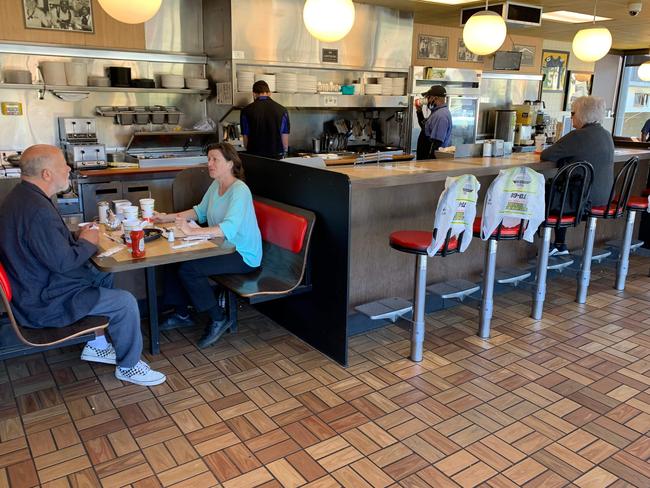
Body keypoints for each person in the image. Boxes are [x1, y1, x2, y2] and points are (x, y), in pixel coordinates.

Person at [0, 145, 165, 386]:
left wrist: (75, 239)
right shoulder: (37, 211)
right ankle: (129, 367)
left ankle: (96, 344)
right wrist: (87, 242)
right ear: (47, 174)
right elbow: (64, 263)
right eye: (62, 166)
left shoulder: (21, 197)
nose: (69, 168)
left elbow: (44, 248)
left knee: (101, 274)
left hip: (32, 286)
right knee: (125, 302)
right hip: (45, 302)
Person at [154, 143, 262, 348]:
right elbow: (199, 212)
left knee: (190, 269)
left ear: (230, 163)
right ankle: (182, 313)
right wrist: (164, 218)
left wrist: (193, 232)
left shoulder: (240, 190)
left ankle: (218, 317)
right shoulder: (216, 185)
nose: (209, 163)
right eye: (208, 159)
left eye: (215, 159)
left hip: (241, 253)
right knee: (173, 260)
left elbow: (228, 227)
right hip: (220, 245)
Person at [541, 96, 614, 255]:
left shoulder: (577, 136)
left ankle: (553, 244)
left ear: (582, 114)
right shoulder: (606, 134)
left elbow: (547, 155)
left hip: (583, 199)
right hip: (605, 197)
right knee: (563, 188)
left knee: (547, 192)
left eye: (573, 113)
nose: (571, 116)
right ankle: (559, 244)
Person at [240, 80, 290, 159]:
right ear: (269, 93)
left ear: (254, 94)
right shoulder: (282, 110)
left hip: (254, 157)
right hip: (276, 157)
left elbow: (246, 141)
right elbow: (285, 143)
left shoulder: (246, 111)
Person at [414, 85, 453, 160]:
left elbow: (437, 143)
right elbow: (424, 128)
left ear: (434, 98)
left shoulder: (441, 115)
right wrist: (419, 111)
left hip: (429, 161)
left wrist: (429, 162)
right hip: (424, 160)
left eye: (428, 97)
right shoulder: (436, 112)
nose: (427, 99)